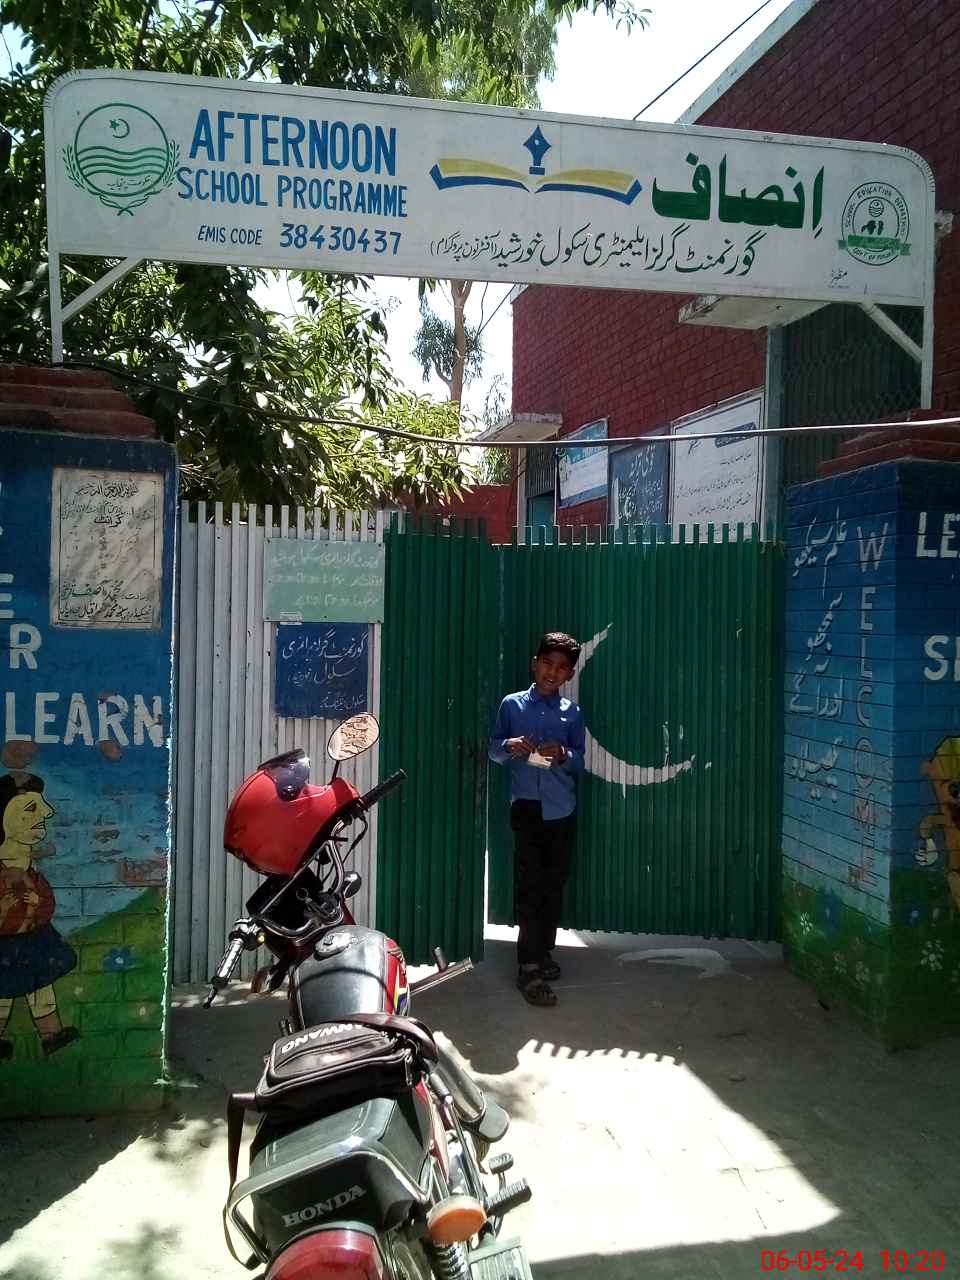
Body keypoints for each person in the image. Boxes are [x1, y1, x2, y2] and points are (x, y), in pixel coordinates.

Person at [489, 632, 585, 1007]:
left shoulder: (572, 714)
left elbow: (579, 760)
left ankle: (543, 952)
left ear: (570, 674)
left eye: (561, 668)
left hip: (562, 809)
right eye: (547, 663)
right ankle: (528, 967)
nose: (552, 672)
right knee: (529, 886)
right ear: (534, 663)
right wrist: (509, 746)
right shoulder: (511, 705)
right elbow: (494, 749)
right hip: (527, 807)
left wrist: (563, 754)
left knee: (553, 885)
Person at [0, 773, 79, 1060]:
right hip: (5, 945)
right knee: (3, 994)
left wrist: (39, 902)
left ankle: (52, 1035)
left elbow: (46, 900)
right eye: (32, 808)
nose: (48, 812)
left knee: (42, 988)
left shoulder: (31, 871)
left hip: (34, 939)